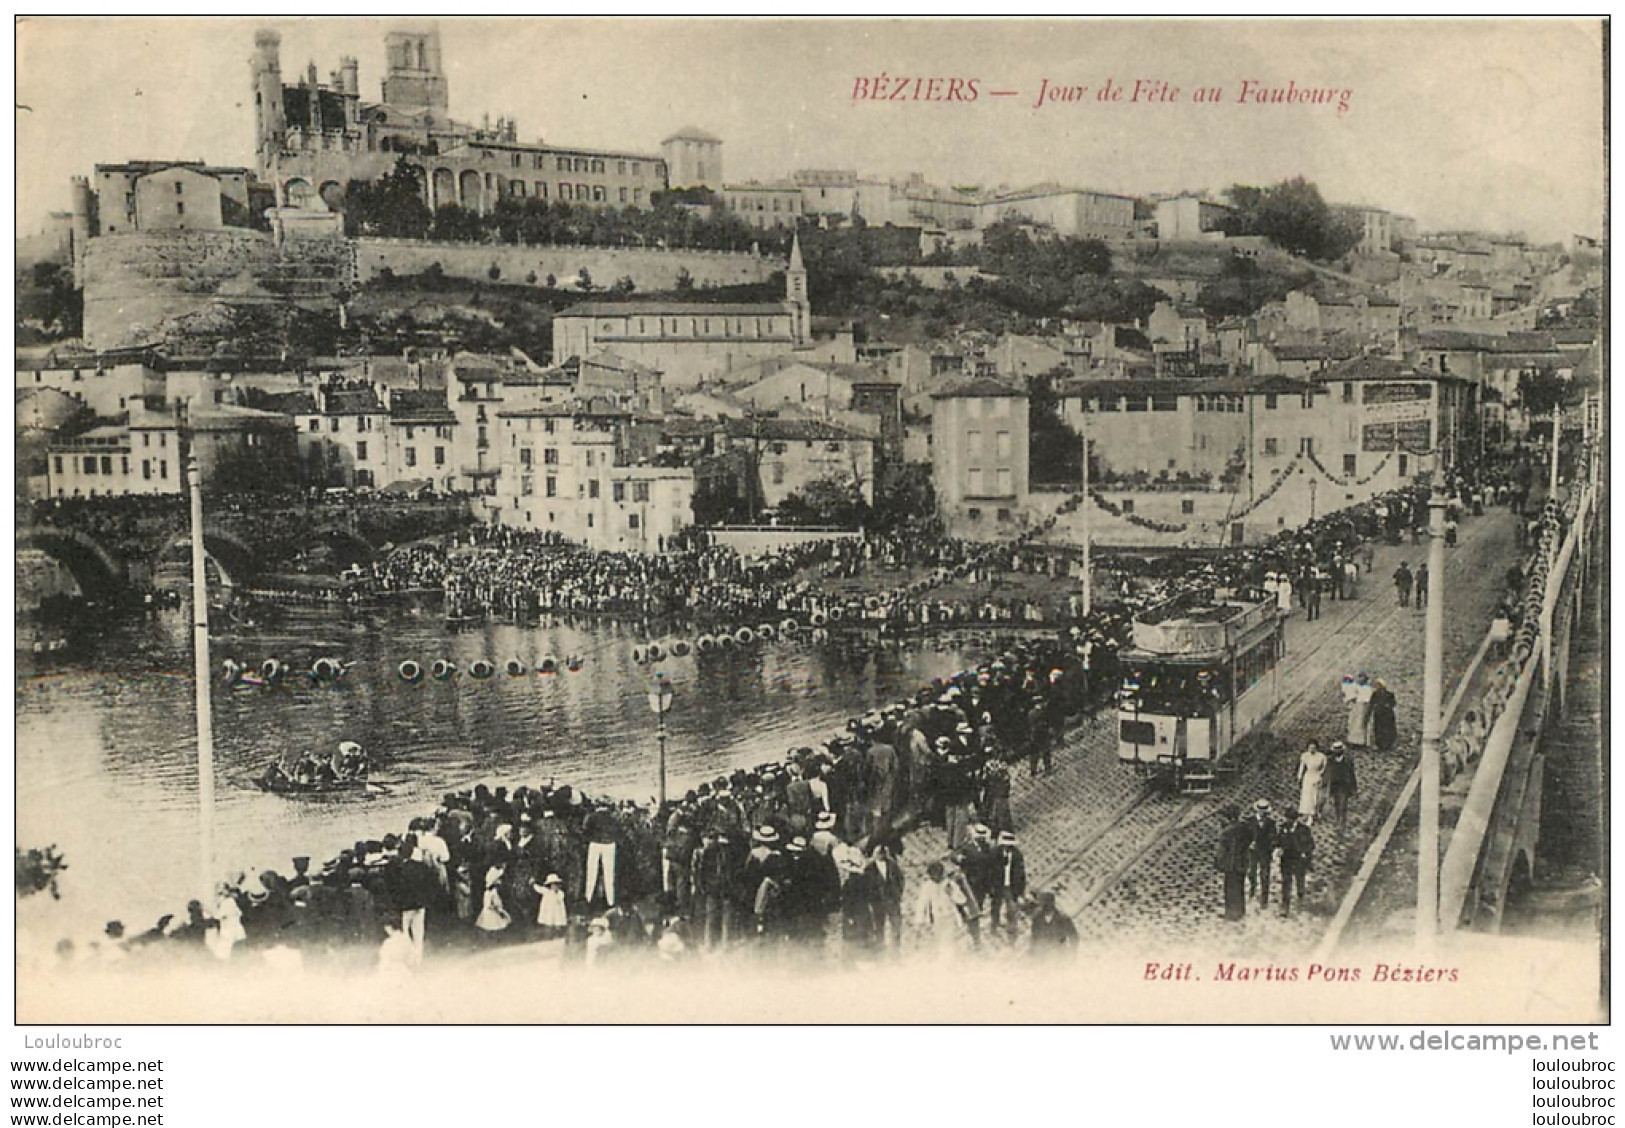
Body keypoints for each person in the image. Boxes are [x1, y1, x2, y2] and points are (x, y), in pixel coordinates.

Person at [1215, 805, 1252, 922]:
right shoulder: (1244, 828)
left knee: (1230, 889)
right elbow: (1250, 839)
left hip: (1230, 865)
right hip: (1242, 862)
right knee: (1239, 887)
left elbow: (1221, 851)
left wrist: (1218, 864)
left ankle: (1230, 913)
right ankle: (1240, 912)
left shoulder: (1225, 832)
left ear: (1228, 818)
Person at [988, 831, 1027, 937]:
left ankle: (1012, 930)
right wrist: (990, 886)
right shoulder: (994, 853)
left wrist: (1020, 891)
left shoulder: (1017, 855)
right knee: (995, 907)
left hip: (1011, 886)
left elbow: (1021, 874)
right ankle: (994, 928)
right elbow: (990, 871)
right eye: (1005, 845)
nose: (1007, 847)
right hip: (998, 885)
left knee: (1012, 909)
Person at [1277, 811, 1313, 918]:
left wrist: (1305, 853)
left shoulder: (1304, 829)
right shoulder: (1283, 828)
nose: (1289, 821)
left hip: (1298, 859)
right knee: (1286, 881)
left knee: (1299, 879)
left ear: (1296, 819)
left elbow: (1311, 844)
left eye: (1291, 819)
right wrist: (1279, 848)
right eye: (1288, 818)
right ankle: (1285, 905)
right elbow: (1278, 841)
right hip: (1286, 859)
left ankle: (1300, 900)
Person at [1245, 799, 1277, 907]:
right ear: (1257, 810)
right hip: (1252, 852)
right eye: (1260, 810)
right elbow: (1244, 836)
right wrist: (1248, 844)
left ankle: (1264, 899)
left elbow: (1274, 838)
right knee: (1251, 872)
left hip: (1265, 852)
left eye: (1264, 811)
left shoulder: (1271, 823)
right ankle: (1252, 890)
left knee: (1265, 875)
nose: (1262, 813)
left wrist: (1270, 847)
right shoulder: (1249, 821)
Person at [1028, 892, 1078, 957]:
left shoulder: (1063, 919)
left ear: (1053, 904)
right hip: (1042, 957)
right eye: (1042, 905)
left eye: (1046, 904)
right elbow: (1034, 937)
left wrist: (1071, 953)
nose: (1044, 907)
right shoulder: (1037, 919)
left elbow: (1073, 937)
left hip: (1059, 956)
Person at [1325, 742, 1358, 825]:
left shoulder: (1347, 760)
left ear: (1342, 750)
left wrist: (1354, 787)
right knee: (1337, 802)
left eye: (1339, 749)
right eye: (1336, 749)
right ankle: (1338, 818)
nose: (1337, 751)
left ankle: (1342, 820)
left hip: (1344, 785)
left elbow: (1351, 773)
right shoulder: (1331, 760)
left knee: (1343, 802)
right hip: (1335, 784)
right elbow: (1329, 772)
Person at [1297, 739, 1328, 826]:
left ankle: (1312, 815)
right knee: (1306, 797)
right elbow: (1302, 767)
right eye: (1310, 747)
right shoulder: (1305, 756)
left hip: (1316, 776)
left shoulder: (1322, 757)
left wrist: (1320, 775)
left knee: (1315, 797)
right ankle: (1307, 814)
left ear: (1316, 748)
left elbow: (1324, 768)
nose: (1312, 749)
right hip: (1307, 777)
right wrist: (1299, 777)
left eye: (1313, 747)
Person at [1369, 679, 1398, 752]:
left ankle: (1389, 745)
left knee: (1388, 729)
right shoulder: (1375, 694)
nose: (1378, 687)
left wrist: (1387, 706)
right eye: (1377, 686)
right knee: (1379, 729)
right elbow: (1372, 703)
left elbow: (1393, 703)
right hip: (1379, 715)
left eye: (1379, 685)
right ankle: (1380, 745)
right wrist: (1376, 707)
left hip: (1388, 715)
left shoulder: (1389, 694)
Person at [1346, 673, 1372, 748]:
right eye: (1359, 677)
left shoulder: (1368, 688)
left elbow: (1368, 699)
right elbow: (1350, 696)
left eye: (1362, 678)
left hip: (1363, 706)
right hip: (1356, 707)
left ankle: (1360, 741)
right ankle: (1352, 740)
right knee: (1353, 722)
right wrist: (1352, 699)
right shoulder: (1355, 687)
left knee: (1361, 723)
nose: (1360, 679)